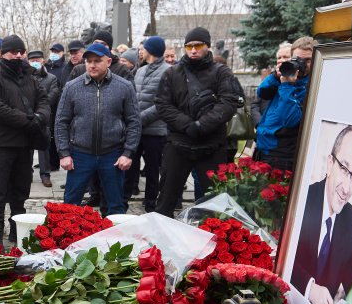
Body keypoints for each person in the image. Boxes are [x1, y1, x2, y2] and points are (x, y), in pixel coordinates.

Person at [154, 27, 238, 218]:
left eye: (198, 46)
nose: (193, 50)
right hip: (178, 143)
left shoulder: (222, 72)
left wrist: (202, 125)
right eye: (189, 46)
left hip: (211, 145)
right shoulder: (172, 73)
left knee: (215, 206)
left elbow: (228, 102)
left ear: (207, 46)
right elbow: (162, 104)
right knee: (165, 201)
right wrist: (187, 125)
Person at [55, 43, 140, 216]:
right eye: (89, 61)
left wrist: (128, 152)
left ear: (108, 62)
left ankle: (113, 233)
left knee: (115, 206)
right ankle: (68, 233)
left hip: (112, 154)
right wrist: (64, 153)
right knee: (70, 205)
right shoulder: (72, 87)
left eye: (97, 61)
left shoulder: (124, 86)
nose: (92, 65)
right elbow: (61, 122)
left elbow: (134, 121)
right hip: (80, 154)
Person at [291, 125, 352, 304]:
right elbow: (282, 257)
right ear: (330, 164)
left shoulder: (351, 218)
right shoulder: (303, 199)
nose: (347, 189)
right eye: (344, 168)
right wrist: (310, 288)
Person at [0, 35, 50, 243]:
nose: (18, 56)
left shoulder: (31, 78)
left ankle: (17, 233)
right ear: (4, 54)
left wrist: (39, 117)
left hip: (25, 145)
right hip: (2, 144)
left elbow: (44, 101)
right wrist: (28, 120)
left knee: (20, 194)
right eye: (13, 52)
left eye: (21, 52)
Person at [253, 38, 315, 171]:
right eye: (298, 59)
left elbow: (289, 120)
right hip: (263, 148)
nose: (302, 64)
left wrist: (287, 85)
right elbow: (262, 93)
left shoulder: (312, 85)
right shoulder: (286, 76)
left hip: (282, 154)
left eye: (308, 60)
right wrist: (275, 76)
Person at [128, 36, 169, 212]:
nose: (140, 51)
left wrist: (139, 118)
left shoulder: (168, 71)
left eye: (143, 48)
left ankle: (151, 202)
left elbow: (163, 104)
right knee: (130, 166)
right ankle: (124, 198)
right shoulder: (140, 71)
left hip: (155, 130)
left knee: (152, 169)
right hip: (137, 129)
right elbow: (134, 97)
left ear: (150, 51)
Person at [27, 49, 60, 188]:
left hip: (44, 116)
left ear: (43, 61)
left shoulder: (51, 78)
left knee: (44, 146)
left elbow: (53, 96)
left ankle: (45, 174)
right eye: (32, 60)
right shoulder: (24, 77)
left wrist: (40, 108)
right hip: (27, 116)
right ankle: (27, 173)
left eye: (37, 60)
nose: (35, 62)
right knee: (27, 146)